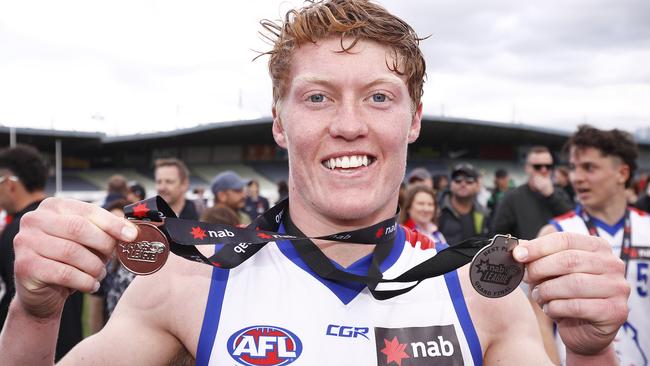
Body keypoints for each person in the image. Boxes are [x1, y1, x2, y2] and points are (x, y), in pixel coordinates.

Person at [0, 1, 629, 365]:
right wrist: (33, 311)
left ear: (412, 120)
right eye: (319, 97)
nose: (349, 126)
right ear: (280, 122)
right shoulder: (188, 280)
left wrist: (594, 351)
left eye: (379, 97)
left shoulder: (478, 293)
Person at [536, 125, 648, 365]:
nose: (577, 177)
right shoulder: (555, 234)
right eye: (574, 168)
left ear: (622, 173)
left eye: (589, 167)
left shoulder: (646, 227)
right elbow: (538, 319)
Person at [0, 145, 83, 361]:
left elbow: (13, 297)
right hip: (72, 347)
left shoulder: (21, 231)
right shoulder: (65, 221)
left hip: (32, 350)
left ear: (9, 184)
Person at [491, 146, 573, 240]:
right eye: (537, 167)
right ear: (527, 168)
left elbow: (573, 222)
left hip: (558, 253)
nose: (544, 170)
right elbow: (499, 233)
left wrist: (551, 195)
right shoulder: (512, 197)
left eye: (548, 166)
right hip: (524, 253)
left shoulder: (560, 194)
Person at [87, 199, 135, 335]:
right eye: (110, 226)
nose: (116, 232)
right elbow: (96, 308)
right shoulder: (102, 264)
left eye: (121, 225)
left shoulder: (143, 265)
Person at [438, 163, 489, 245]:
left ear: (477, 185)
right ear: (451, 184)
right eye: (458, 180)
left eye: (469, 180)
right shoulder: (436, 210)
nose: (463, 184)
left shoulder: (484, 214)